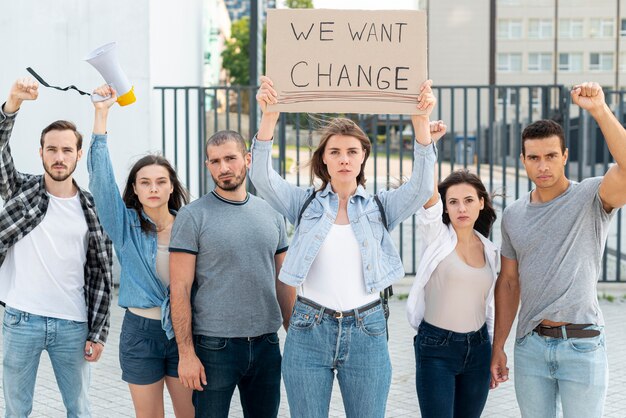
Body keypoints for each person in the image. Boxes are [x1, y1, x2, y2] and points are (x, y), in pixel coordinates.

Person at [250, 75, 438, 418]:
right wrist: (270, 115)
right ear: (324, 159)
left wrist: (420, 122)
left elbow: (422, 186)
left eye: (352, 151)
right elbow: (262, 178)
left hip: (366, 330)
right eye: (335, 151)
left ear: (364, 156)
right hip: (309, 329)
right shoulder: (304, 204)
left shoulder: (380, 207)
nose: (344, 159)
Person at [490, 82, 626, 418]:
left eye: (551, 156)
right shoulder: (514, 214)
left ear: (565, 155)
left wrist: (599, 110)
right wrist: (498, 347)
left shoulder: (591, 197)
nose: (543, 166)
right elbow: (508, 282)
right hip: (531, 347)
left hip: (582, 346)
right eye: (534, 158)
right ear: (523, 160)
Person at [0, 77, 112, 416]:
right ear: (41, 153)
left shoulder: (93, 209)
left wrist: (99, 332)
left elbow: (101, 277)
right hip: (21, 320)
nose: (59, 157)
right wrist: (11, 107)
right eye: (52, 149)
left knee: (79, 410)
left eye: (66, 150)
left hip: (73, 325)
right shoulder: (23, 192)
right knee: (16, 410)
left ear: (78, 154)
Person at [169, 129, 295, 418]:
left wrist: (296, 339)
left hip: (267, 344)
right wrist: (186, 355)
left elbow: (284, 283)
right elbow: (179, 288)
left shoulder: (272, 214)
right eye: (215, 161)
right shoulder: (193, 216)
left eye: (230, 158)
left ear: (247, 159)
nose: (223, 168)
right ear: (208, 166)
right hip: (214, 348)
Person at [86, 85, 194, 417]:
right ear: (135, 188)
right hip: (140, 334)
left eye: (160, 181)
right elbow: (101, 181)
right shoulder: (125, 226)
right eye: (144, 182)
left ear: (171, 186)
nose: (153, 188)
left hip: (185, 332)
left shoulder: (191, 226)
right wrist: (101, 115)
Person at [407, 120, 499, 418]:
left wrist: (496, 351)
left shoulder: (491, 251)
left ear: (481, 204)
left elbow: (491, 308)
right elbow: (426, 191)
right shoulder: (437, 237)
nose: (461, 208)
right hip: (436, 348)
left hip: (479, 347)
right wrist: (427, 143)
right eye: (454, 202)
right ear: (445, 207)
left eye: (469, 200)